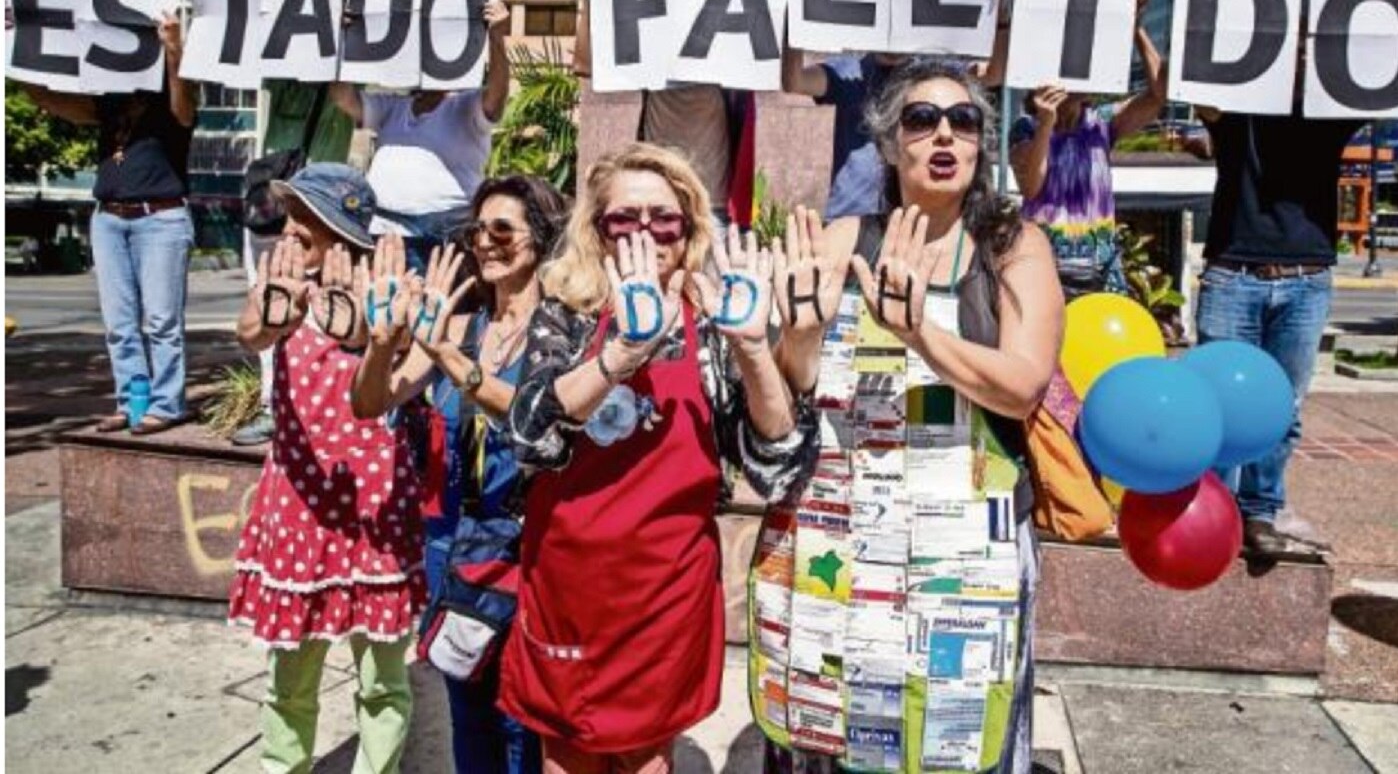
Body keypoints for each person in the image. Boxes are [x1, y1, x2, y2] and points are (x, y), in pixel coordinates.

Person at [760, 59, 1064, 774]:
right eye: (921, 119)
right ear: (890, 144)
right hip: (851, 531)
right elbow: (792, 388)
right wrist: (795, 337)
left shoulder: (1012, 246)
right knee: (843, 726)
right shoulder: (841, 240)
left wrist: (920, 331)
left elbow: (1022, 388)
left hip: (968, 544)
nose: (944, 135)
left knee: (955, 730)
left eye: (963, 121)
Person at [500, 143, 818, 771]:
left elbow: (779, 464)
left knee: (649, 761)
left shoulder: (717, 320)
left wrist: (753, 348)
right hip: (569, 586)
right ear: (597, 229)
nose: (645, 233)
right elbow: (528, 430)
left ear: (690, 228)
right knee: (565, 758)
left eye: (663, 219)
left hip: (664, 594)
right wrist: (621, 353)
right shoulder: (566, 308)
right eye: (625, 219)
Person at [351, 175, 567, 774]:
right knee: (468, 718)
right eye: (478, 231)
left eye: (503, 229)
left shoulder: (561, 332)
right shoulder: (457, 327)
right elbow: (371, 403)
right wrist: (382, 342)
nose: (486, 243)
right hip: (457, 552)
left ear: (542, 238)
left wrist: (448, 357)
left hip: (531, 556)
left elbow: (536, 417)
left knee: (523, 724)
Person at [1192, 0, 1390, 556]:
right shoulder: (1238, 102)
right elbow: (1203, 81)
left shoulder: (1335, 110)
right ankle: (1213, 512)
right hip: (1234, 271)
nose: (1300, 46)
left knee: (1283, 409)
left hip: (1307, 275)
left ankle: (1260, 511)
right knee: (1219, 403)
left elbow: (1386, 70)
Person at [229, 162, 425, 774]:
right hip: (298, 500)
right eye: (289, 216)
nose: (289, 229)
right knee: (290, 676)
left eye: (304, 219)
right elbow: (250, 335)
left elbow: (393, 351)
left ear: (340, 230)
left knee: (383, 679)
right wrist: (276, 314)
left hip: (373, 502)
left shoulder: (383, 284)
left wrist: (363, 330)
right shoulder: (280, 280)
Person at [11, 12, 197, 436]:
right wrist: (14, 53)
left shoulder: (173, 95)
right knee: (119, 325)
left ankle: (168, 404)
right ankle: (131, 403)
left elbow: (184, 107)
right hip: (109, 219)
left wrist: (173, 48)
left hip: (161, 218)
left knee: (161, 322)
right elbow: (51, 100)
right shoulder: (109, 100)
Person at [218, 0, 360, 448]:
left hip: (325, 211)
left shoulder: (348, 72)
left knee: (330, 312)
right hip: (271, 204)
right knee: (269, 302)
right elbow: (235, 29)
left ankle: (322, 402)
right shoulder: (278, 68)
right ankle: (272, 404)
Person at [320, 0, 512, 272]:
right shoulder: (393, 107)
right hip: (384, 233)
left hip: (443, 237)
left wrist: (497, 40)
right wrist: (344, 40)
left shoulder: (466, 106)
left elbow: (495, 100)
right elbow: (342, 96)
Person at [781, 0, 1016, 221]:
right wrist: (793, 6)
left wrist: (1003, 7)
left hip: (916, 222)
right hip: (850, 222)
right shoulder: (850, 71)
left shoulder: (935, 74)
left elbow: (993, 74)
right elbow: (795, 81)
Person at [573, 0, 757, 236]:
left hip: (713, 208)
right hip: (659, 205)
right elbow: (584, 64)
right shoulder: (648, 51)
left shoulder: (727, 53)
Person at [1009, 0, 1167, 300]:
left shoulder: (1102, 123)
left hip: (1101, 268)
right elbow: (1030, 187)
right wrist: (1046, 124)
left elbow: (1159, 94)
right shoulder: (1025, 127)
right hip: (1044, 268)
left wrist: (1134, 27)